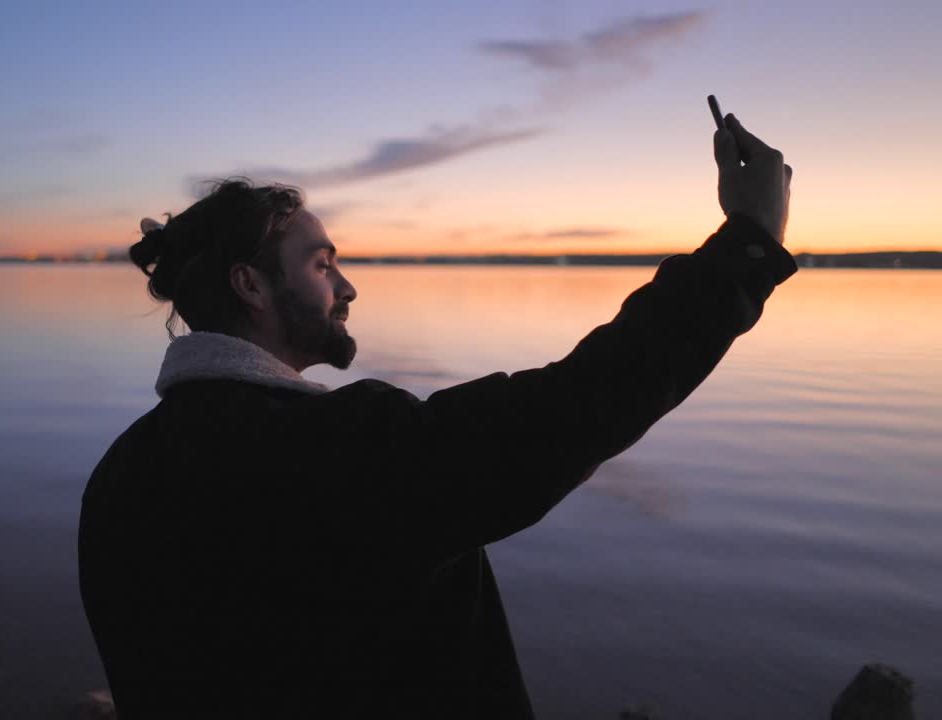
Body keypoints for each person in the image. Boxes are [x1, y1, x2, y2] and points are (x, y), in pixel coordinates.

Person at [78, 113, 795, 718]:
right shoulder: (336, 450)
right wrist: (748, 242)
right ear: (250, 286)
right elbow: (573, 408)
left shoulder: (121, 473)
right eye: (323, 265)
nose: (348, 285)